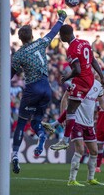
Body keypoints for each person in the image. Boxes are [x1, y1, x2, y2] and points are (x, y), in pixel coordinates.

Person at [11, 10, 67, 174]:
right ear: (32, 36)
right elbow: (53, 32)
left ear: (20, 39)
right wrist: (61, 18)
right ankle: (42, 136)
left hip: (32, 89)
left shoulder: (18, 54)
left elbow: (11, 74)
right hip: (46, 89)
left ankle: (15, 156)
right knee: (36, 121)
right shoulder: (41, 43)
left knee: (21, 123)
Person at [47, 24, 104, 151]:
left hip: (81, 80)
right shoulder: (85, 42)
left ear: (65, 35)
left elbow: (77, 70)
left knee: (71, 110)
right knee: (71, 108)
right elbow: (94, 61)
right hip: (89, 78)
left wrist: (66, 77)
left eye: (61, 35)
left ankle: (65, 140)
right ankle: (54, 125)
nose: (60, 37)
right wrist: (102, 77)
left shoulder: (72, 49)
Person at [62, 79, 104, 186]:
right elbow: (65, 98)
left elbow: (102, 103)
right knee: (80, 149)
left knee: (94, 151)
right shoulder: (76, 81)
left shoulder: (97, 85)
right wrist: (64, 117)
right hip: (76, 121)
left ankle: (90, 178)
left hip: (89, 124)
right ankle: (72, 179)